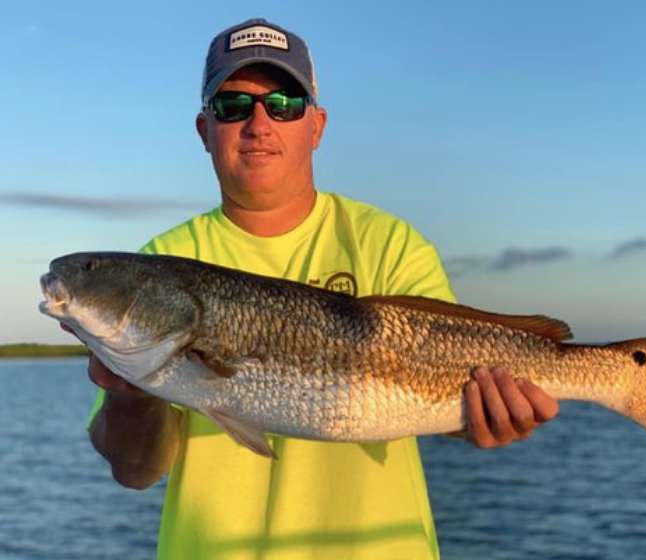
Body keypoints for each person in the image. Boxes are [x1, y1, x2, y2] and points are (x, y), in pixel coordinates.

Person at [80, 18, 559, 560]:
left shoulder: (390, 243)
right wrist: (128, 399)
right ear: (203, 129)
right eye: (233, 106)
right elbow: (136, 471)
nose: (259, 123)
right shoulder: (160, 261)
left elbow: (440, 399)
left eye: (284, 102)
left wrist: (487, 416)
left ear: (317, 125)